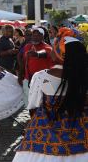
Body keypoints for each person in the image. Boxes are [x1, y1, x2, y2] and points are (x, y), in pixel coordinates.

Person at [13, 28, 88, 161]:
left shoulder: (41, 76)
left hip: (47, 129)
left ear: (60, 53)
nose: (52, 49)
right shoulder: (83, 76)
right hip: (81, 129)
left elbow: (34, 103)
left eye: (54, 47)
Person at [18, 27, 52, 117]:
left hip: (42, 82)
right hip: (28, 80)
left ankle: (43, 126)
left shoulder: (47, 47)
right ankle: (32, 126)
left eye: (38, 35)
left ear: (43, 36)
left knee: (42, 105)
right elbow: (24, 61)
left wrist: (36, 54)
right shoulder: (27, 46)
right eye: (34, 35)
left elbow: (44, 54)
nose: (35, 37)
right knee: (31, 105)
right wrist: (19, 75)